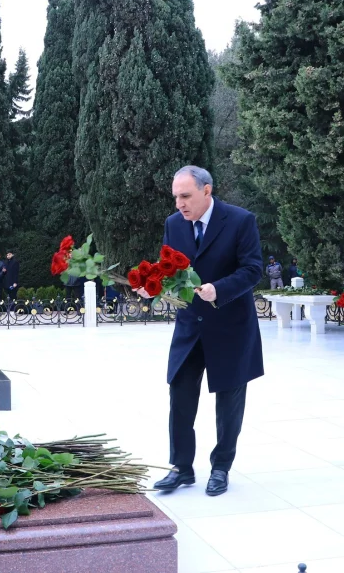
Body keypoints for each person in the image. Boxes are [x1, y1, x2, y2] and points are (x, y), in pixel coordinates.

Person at [143, 165, 263, 498]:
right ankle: (181, 468)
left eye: (186, 196)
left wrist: (219, 290)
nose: (179, 204)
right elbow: (169, 272)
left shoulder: (240, 220)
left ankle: (221, 468)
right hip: (189, 326)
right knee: (179, 395)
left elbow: (253, 269)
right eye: (176, 197)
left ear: (206, 191)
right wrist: (151, 286)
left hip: (230, 326)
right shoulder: (173, 224)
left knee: (228, 401)